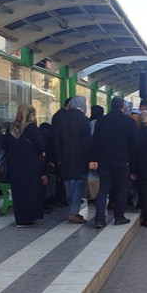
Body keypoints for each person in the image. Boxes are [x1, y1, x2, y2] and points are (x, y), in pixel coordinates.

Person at [89, 96, 139, 228]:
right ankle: (119, 217)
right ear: (123, 106)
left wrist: (93, 159)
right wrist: (133, 165)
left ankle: (99, 219)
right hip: (123, 161)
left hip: (104, 161)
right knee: (121, 189)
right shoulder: (129, 122)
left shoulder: (101, 121)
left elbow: (95, 142)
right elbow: (134, 145)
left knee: (103, 189)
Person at [4, 104, 47, 227]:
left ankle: (20, 219)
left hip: (15, 166)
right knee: (30, 191)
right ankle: (29, 217)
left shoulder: (11, 129)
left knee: (18, 192)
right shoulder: (31, 128)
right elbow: (41, 146)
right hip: (30, 166)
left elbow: (5, 146)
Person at [52, 96, 93, 224]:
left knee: (68, 183)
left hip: (63, 157)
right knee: (78, 184)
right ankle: (73, 212)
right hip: (79, 157)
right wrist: (90, 158)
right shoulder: (83, 119)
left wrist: (57, 156)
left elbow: (55, 139)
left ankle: (72, 207)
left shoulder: (60, 118)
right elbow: (87, 142)